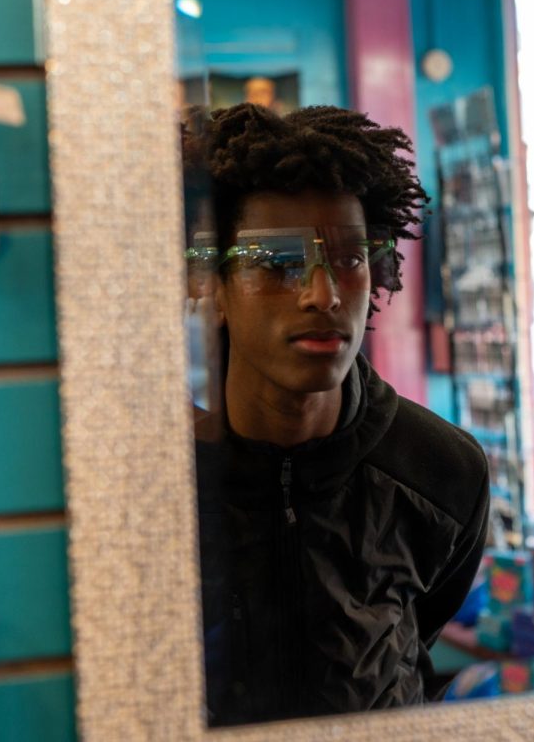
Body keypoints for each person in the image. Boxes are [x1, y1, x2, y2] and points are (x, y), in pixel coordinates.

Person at [184, 103, 490, 726]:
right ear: (212, 286)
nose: (322, 294)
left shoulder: (441, 472)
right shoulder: (160, 480)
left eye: (350, 259)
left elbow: (416, 639)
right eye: (279, 262)